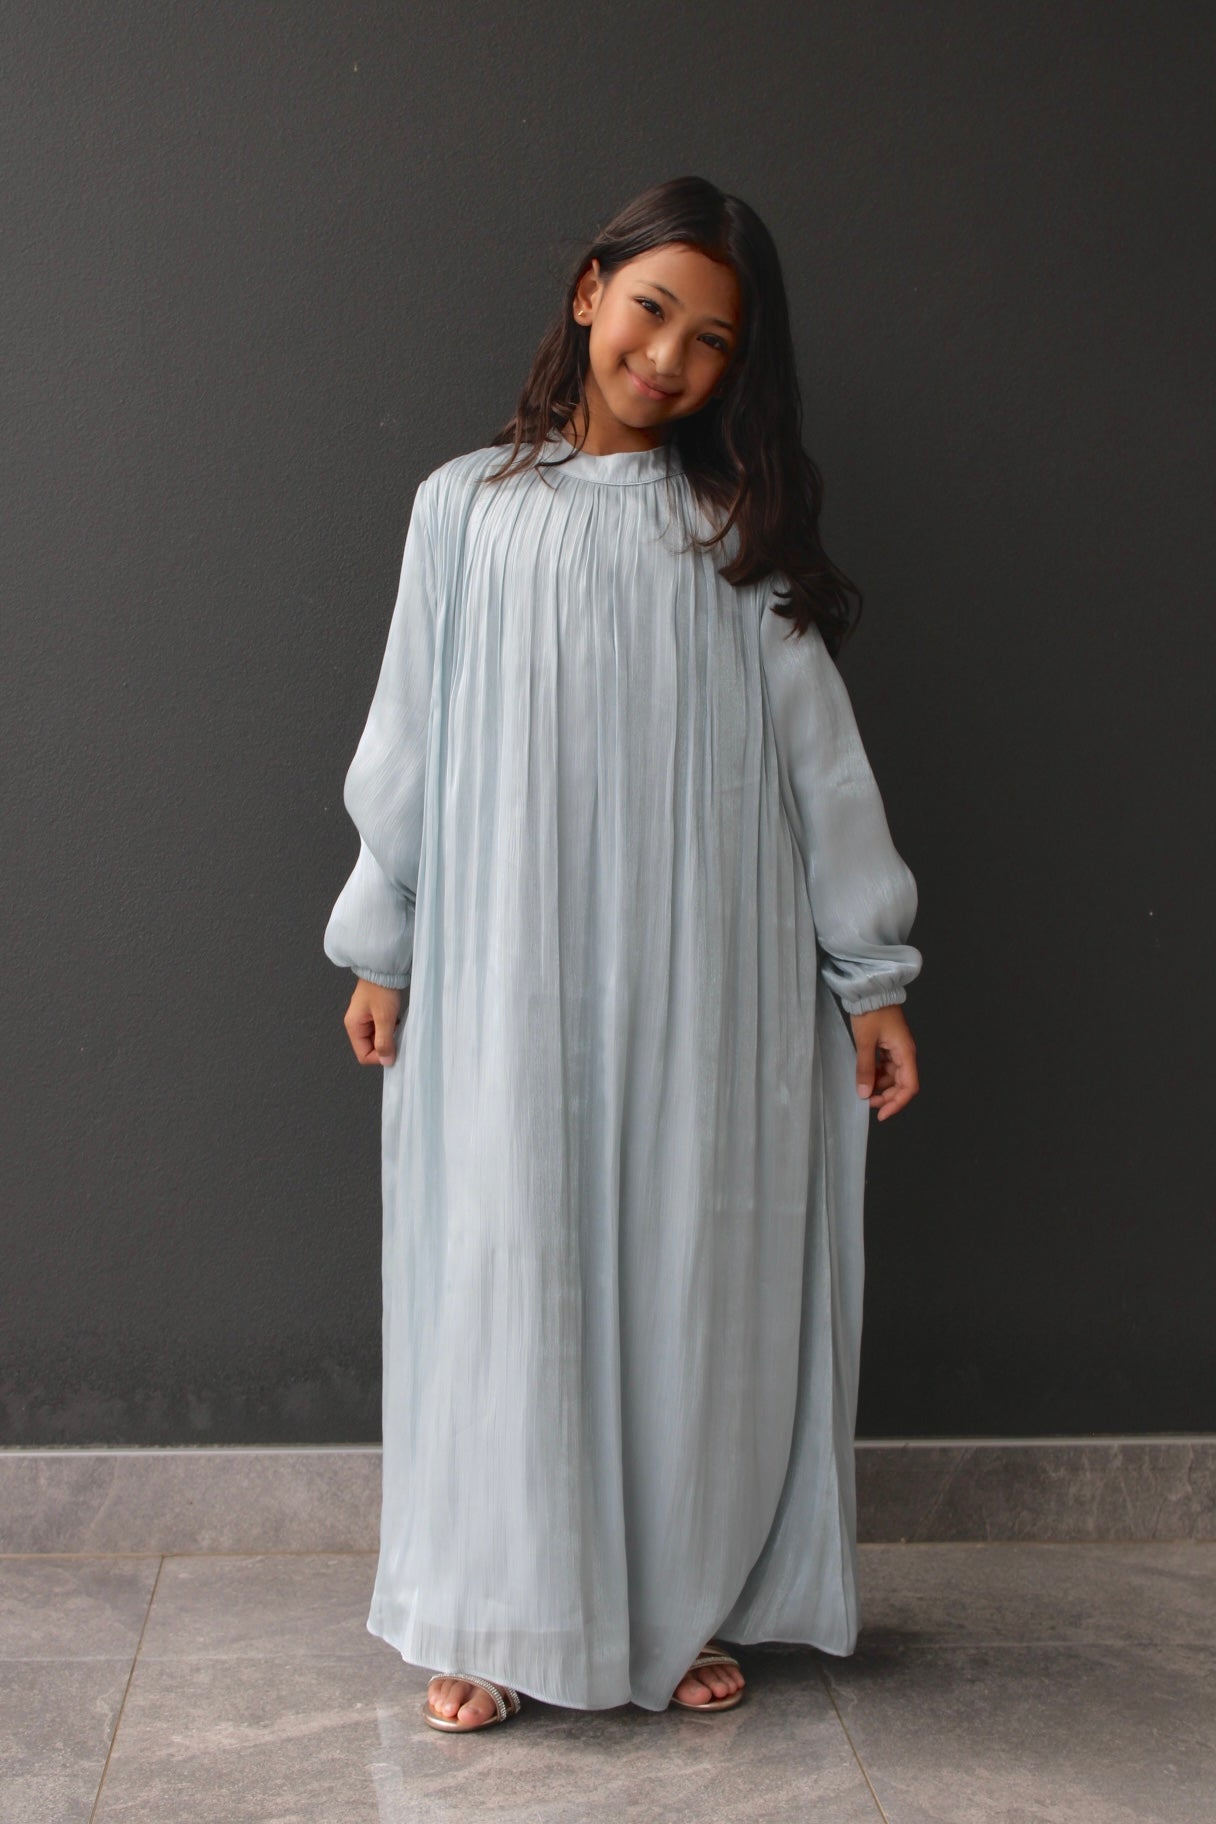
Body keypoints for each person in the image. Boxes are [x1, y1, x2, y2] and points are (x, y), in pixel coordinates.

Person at [323, 175, 922, 1732]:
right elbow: (408, 736)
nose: (669, 357)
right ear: (591, 292)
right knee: (506, 1263)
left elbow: (821, 764)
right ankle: (494, 1607)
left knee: (685, 1272)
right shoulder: (464, 508)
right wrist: (382, 940)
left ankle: (678, 1605)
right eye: (652, 310)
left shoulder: (734, 533)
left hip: (705, 971)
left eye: (712, 340)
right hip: (508, 967)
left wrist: (869, 973)